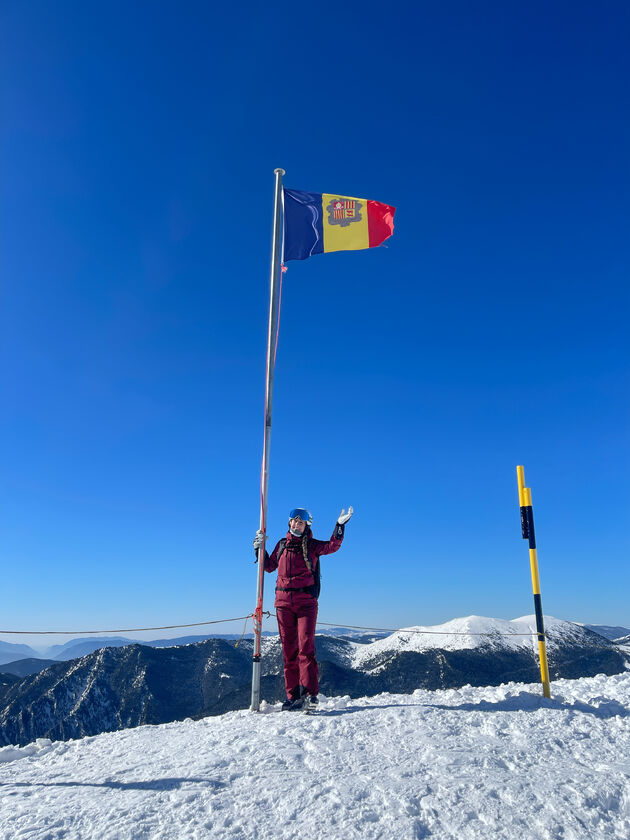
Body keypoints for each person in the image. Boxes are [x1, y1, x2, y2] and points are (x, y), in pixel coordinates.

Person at [253, 506, 354, 710]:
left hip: (306, 603)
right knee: (289, 652)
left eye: (301, 521)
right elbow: (269, 566)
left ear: (306, 525)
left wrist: (339, 526)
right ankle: (293, 696)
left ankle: (310, 695)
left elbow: (332, 546)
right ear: (289, 523)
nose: (297, 523)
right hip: (282, 604)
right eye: (294, 520)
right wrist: (259, 549)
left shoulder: (313, 546)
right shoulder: (282, 545)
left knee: (305, 649)